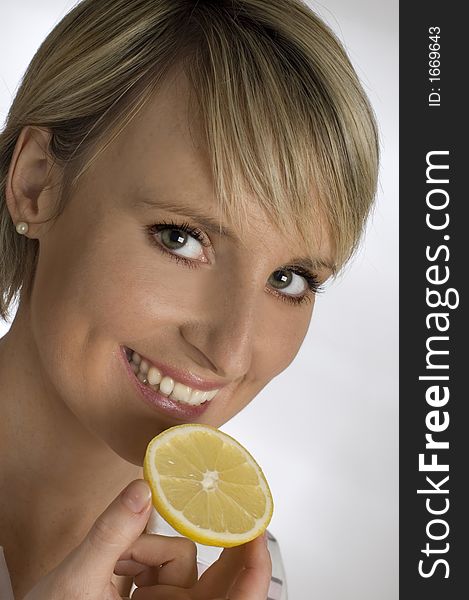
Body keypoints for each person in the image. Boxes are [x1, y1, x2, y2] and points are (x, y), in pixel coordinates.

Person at [0, 0, 379, 598]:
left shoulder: (239, 580)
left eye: (290, 279)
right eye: (181, 238)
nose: (230, 354)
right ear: (37, 183)